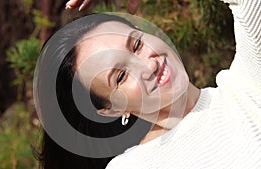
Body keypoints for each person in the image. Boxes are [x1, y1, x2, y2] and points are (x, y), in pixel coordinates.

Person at [34, 0, 261, 168]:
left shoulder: (248, 81)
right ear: (111, 108)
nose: (148, 65)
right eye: (121, 76)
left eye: (137, 45)